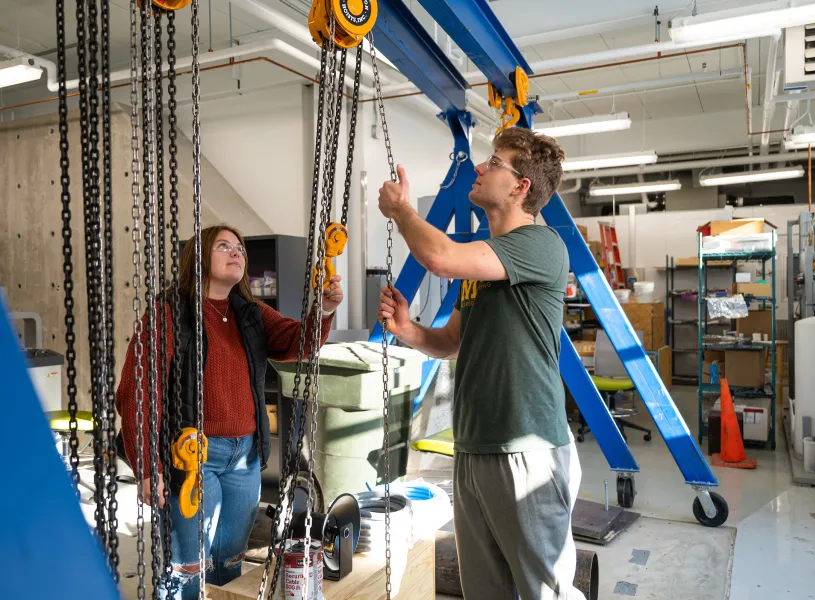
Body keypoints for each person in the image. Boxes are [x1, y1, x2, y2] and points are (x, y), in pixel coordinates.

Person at [377, 127, 585, 600]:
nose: (479, 167)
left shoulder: (540, 244)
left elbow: (439, 257)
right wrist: (409, 331)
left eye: (493, 162)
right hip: (473, 445)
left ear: (520, 187)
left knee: (542, 592)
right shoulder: (485, 264)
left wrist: (401, 211)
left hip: (526, 448)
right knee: (484, 592)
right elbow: (452, 341)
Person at [116, 224, 342, 600]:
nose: (236, 252)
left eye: (239, 248)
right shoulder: (167, 314)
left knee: (229, 564)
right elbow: (138, 392)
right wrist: (146, 467)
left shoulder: (249, 313)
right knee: (187, 569)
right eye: (224, 246)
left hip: (246, 457)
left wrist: (326, 309)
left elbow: (296, 342)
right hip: (191, 457)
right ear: (200, 257)